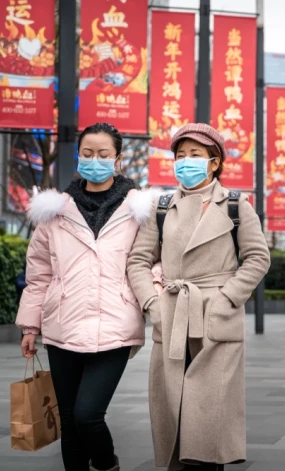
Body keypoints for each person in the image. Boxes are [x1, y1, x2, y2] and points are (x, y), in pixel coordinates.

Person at [127, 123, 270, 471]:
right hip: (173, 313)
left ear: (214, 162)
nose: (185, 162)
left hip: (216, 316)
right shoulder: (161, 207)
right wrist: (153, 303)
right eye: (180, 155)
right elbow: (137, 260)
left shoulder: (236, 205)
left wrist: (227, 299)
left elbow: (258, 257)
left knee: (210, 415)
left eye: (195, 155)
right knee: (174, 408)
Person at [16, 122, 153, 471]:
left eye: (103, 154)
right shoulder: (55, 212)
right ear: (78, 156)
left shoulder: (139, 211)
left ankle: (107, 464)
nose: (95, 160)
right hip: (63, 326)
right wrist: (30, 326)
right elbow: (39, 274)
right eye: (88, 153)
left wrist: (150, 297)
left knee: (88, 414)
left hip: (115, 327)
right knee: (68, 419)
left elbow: (153, 263)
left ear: (118, 159)